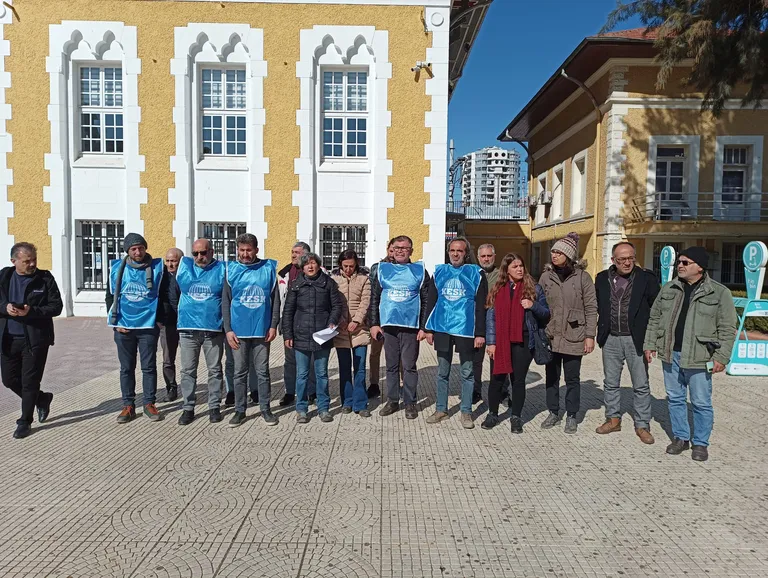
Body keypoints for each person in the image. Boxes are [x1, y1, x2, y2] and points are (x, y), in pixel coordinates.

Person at [643, 246, 738, 462]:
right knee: (675, 398)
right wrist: (650, 344)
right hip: (671, 354)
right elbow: (654, 319)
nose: (680, 265)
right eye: (679, 262)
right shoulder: (668, 289)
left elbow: (727, 327)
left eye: (686, 262)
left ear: (700, 267)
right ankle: (680, 438)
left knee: (701, 402)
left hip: (699, 356)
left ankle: (701, 443)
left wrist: (721, 357)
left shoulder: (719, 292)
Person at [595, 242, 659, 445]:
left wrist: (652, 340)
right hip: (611, 337)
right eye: (622, 259)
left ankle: (642, 425)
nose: (627, 262)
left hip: (636, 339)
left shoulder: (647, 279)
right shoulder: (602, 279)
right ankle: (613, 419)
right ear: (613, 260)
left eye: (630, 258)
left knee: (641, 384)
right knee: (610, 382)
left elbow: (656, 310)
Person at [424, 237, 488, 429]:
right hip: (443, 328)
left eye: (459, 251)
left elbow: (481, 306)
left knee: (467, 372)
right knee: (443, 372)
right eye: (452, 250)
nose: (455, 254)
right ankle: (441, 409)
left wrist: (480, 333)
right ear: (448, 252)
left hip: (466, 329)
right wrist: (428, 328)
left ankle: (466, 411)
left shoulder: (476, 273)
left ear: (466, 253)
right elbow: (432, 300)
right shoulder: (440, 271)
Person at [0, 243, 63, 439]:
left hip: (35, 340)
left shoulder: (44, 278)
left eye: (34, 259)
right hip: (8, 339)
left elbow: (56, 306)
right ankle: (42, 398)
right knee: (9, 380)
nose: (32, 264)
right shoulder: (3, 277)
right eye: (27, 261)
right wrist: (5, 308)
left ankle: (24, 421)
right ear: (14, 261)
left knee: (30, 382)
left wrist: (31, 312)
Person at [537, 232, 597, 434]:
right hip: (551, 335)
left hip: (574, 335)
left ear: (569, 255)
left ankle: (571, 415)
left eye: (559, 252)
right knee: (551, 377)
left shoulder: (583, 278)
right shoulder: (546, 277)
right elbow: (539, 304)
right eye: (553, 251)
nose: (554, 255)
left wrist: (590, 336)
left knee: (572, 379)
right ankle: (553, 411)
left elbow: (591, 307)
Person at [484, 253, 549, 433]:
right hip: (501, 342)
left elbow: (546, 313)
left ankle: (516, 416)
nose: (519, 269)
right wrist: (491, 342)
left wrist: (532, 305)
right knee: (496, 379)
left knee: (518, 380)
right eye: (515, 267)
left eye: (521, 266)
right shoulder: (498, 289)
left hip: (524, 341)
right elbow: (491, 319)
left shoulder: (533, 288)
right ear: (507, 270)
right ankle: (492, 413)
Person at [105, 233, 167, 424]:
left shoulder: (157, 267)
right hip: (124, 328)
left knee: (148, 367)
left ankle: (149, 403)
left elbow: (163, 295)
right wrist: (116, 323)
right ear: (128, 251)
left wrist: (159, 320)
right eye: (133, 249)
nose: (138, 251)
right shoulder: (117, 269)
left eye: (141, 247)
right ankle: (128, 405)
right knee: (126, 368)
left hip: (147, 327)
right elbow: (109, 297)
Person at [369, 235, 430, 420]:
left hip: (411, 327)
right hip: (388, 326)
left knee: (409, 366)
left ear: (411, 251)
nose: (401, 250)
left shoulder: (419, 271)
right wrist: (374, 323)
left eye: (405, 248)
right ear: (392, 250)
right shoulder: (382, 270)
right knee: (391, 366)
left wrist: (424, 327)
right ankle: (393, 400)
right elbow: (375, 298)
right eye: (398, 247)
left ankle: (410, 402)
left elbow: (426, 300)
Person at [222, 233, 280, 427]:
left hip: (262, 330)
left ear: (256, 250)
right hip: (238, 331)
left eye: (249, 250)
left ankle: (265, 408)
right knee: (239, 372)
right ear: (237, 250)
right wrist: (228, 329)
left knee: (263, 371)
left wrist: (273, 325)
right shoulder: (231, 270)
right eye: (242, 250)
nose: (245, 254)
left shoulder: (268, 268)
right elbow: (225, 302)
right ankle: (240, 410)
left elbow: (276, 301)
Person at [282, 252, 342, 423]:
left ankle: (324, 408)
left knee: (322, 374)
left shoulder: (328, 283)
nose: (310, 266)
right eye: (306, 263)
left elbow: (337, 306)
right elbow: (288, 311)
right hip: (300, 335)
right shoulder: (296, 285)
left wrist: (332, 321)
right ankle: (301, 409)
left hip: (322, 335)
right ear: (302, 267)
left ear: (318, 264)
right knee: (302, 374)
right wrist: (288, 334)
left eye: (313, 263)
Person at [175, 239, 226, 425]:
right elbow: (171, 292)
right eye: (195, 253)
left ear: (211, 252)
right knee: (188, 371)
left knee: (215, 370)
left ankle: (214, 406)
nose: (199, 257)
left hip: (212, 329)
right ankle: (188, 408)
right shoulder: (184, 267)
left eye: (203, 253)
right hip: (188, 330)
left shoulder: (222, 269)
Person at [332, 250, 372, 417]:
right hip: (341, 330)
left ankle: (360, 403)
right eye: (345, 266)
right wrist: (340, 320)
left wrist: (356, 321)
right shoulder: (333, 279)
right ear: (340, 264)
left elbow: (366, 301)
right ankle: (346, 401)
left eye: (351, 266)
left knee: (360, 369)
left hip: (359, 330)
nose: (348, 269)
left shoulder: (364, 279)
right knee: (345, 368)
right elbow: (332, 301)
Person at [277, 241, 315, 406]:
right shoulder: (283, 274)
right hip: (290, 324)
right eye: (292, 252)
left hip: (311, 324)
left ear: (306, 255)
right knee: (290, 360)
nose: (293, 255)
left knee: (311, 360)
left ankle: (311, 391)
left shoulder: (317, 272)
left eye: (297, 252)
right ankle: (289, 392)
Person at [366, 239, 395, 399]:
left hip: (398, 318)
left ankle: (403, 384)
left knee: (399, 355)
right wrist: (372, 320)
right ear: (387, 249)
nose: (393, 254)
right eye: (391, 250)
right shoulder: (377, 268)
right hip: (379, 317)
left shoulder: (407, 268)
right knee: (375, 352)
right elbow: (372, 294)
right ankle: (374, 383)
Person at [474, 243, 500, 404]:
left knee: (497, 360)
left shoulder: (502, 275)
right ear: (478, 258)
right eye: (483, 256)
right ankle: (475, 392)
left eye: (489, 256)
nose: (486, 259)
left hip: (496, 323)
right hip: (476, 323)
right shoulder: (473, 274)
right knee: (475, 361)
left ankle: (499, 392)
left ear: (494, 257)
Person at [159, 248, 182, 401]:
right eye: (167, 260)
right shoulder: (159, 276)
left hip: (187, 322)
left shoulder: (187, 275)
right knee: (168, 359)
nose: (170, 264)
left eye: (173, 260)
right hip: (167, 323)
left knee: (189, 361)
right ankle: (171, 388)